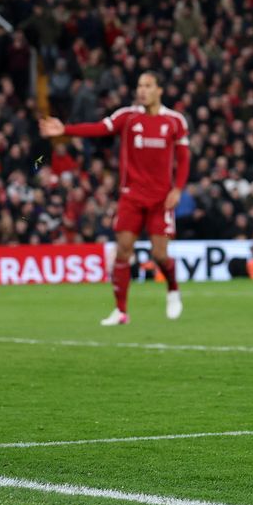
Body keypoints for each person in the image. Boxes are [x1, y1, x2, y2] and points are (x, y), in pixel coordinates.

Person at [40, 71, 189, 325]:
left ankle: (173, 289)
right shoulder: (127, 117)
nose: (142, 90)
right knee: (122, 252)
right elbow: (98, 128)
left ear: (159, 90)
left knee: (160, 255)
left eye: (148, 86)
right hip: (131, 197)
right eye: (139, 85)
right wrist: (65, 129)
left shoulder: (175, 121)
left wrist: (178, 189)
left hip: (160, 200)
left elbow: (183, 158)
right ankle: (121, 312)